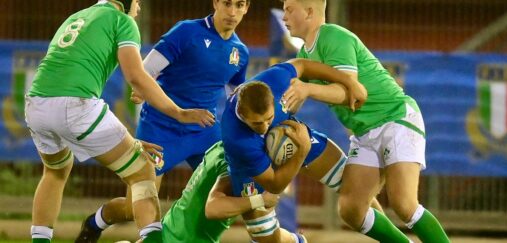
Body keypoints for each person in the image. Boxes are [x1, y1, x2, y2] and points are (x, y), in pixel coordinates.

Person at [24, 0, 214, 242]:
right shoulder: (122, 21)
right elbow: (136, 76)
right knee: (143, 170)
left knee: (55, 172)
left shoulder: (77, 16)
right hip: (76, 105)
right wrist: (179, 112)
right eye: (137, 3)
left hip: (37, 103)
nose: (139, 8)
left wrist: (128, 143)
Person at [76, 0, 250, 241]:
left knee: (236, 182)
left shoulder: (240, 52)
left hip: (203, 131)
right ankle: (96, 222)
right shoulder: (186, 32)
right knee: (133, 206)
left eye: (239, 5)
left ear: (246, 8)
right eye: (227, 3)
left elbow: (236, 99)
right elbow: (146, 70)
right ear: (216, 3)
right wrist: (141, 89)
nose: (232, 12)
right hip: (160, 128)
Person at [281, 0, 451, 242]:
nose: (284, 16)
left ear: (309, 12)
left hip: (395, 118)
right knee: (351, 208)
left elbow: (353, 95)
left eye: (289, 9)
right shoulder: (303, 54)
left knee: (404, 204)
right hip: (365, 132)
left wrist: (307, 89)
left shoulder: (333, 37)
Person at [222, 59, 410, 243]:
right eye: (256, 123)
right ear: (242, 113)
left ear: (275, 99)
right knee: (266, 237)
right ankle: (297, 240)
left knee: (354, 188)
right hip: (254, 170)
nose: (264, 127)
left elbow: (303, 64)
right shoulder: (237, 139)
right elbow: (274, 185)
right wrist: (302, 149)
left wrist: (348, 82)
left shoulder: (276, 80)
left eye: (269, 119)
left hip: (291, 136)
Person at [160, 141, 280, 243]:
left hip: (166, 230)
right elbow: (213, 208)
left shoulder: (220, 146)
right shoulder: (236, 168)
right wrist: (261, 200)